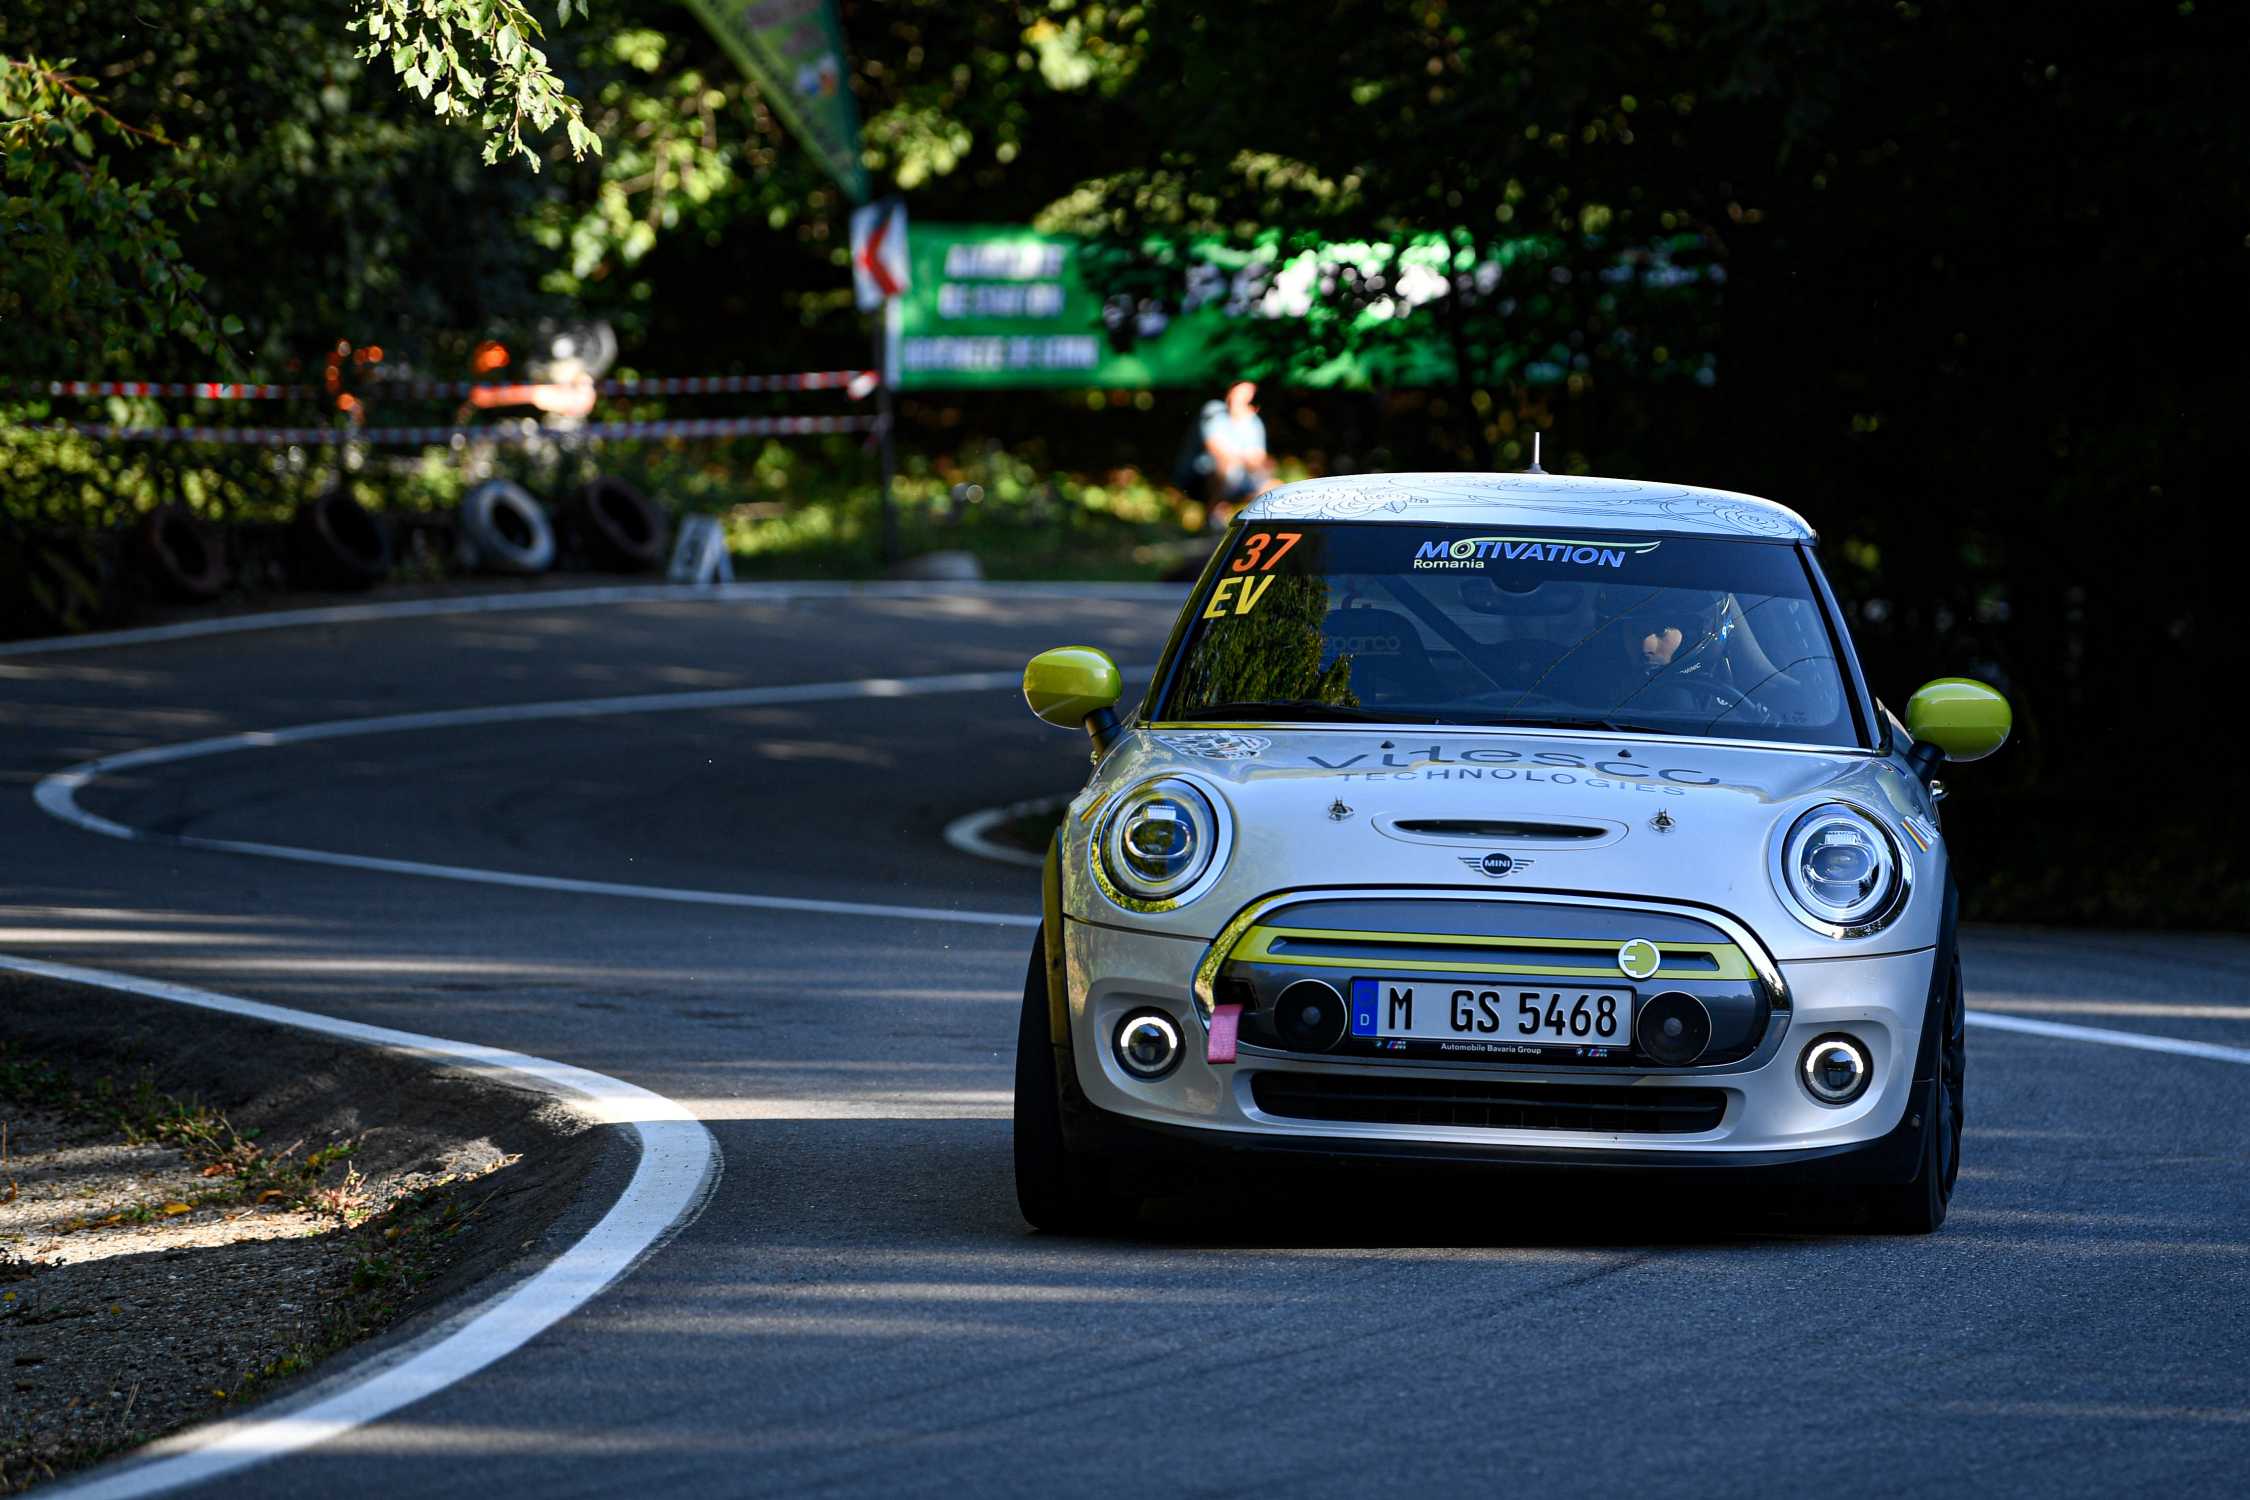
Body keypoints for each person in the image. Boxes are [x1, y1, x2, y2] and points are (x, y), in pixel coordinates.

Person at [1194, 380, 1278, 519]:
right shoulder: (1214, 412)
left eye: (1246, 395)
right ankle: (1212, 518)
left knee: (1275, 486)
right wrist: (1244, 460)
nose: (1239, 399)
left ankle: (1264, 523)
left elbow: (1258, 458)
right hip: (1210, 473)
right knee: (1224, 470)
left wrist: (1254, 464)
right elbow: (1215, 449)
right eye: (1237, 394)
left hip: (1246, 476)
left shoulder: (1254, 423)